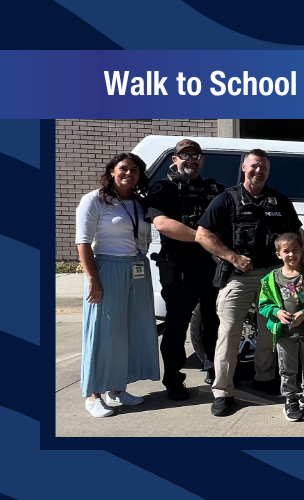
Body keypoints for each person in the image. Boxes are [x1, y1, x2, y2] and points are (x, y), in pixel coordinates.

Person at [196, 149, 302, 416]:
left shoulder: (279, 201)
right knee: (229, 332)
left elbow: (296, 235)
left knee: (269, 331)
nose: (259, 171)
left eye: (264, 167)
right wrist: (232, 257)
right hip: (239, 276)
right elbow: (202, 234)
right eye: (254, 166)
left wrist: (297, 271)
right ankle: (223, 391)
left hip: (273, 278)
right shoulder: (227, 199)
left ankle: (264, 379)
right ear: (244, 167)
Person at [76, 152, 160, 417]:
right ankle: (93, 394)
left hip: (136, 269)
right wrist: (93, 279)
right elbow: (83, 243)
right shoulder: (94, 200)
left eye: (134, 170)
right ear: (112, 171)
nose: (128, 174)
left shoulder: (139, 203)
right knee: (104, 332)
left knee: (129, 331)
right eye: (123, 168)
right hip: (108, 268)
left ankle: (116, 387)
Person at [143, 139, 225, 400]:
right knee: (176, 327)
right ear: (174, 160)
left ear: (202, 160)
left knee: (214, 323)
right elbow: (163, 223)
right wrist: (204, 238)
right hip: (178, 268)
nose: (190, 159)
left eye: (195, 155)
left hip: (211, 267)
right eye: (184, 155)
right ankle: (173, 380)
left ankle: (214, 369)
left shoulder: (216, 189)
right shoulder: (163, 189)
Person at [257, 233, 304, 422]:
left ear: (302, 251)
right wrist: (277, 312)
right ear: (278, 254)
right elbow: (263, 305)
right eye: (286, 251)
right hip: (285, 335)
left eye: (295, 250)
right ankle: (290, 399)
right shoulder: (271, 279)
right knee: (288, 369)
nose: (291, 254)